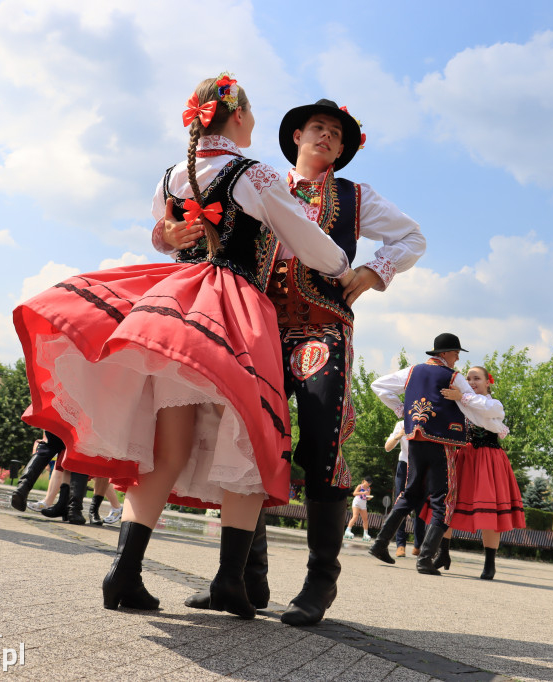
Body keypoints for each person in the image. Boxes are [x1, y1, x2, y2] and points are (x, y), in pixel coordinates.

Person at [13, 74, 353, 620]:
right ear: (237, 118)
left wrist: (165, 238)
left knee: (169, 449)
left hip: (174, 310)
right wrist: (341, 266)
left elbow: (160, 229)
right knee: (250, 433)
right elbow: (303, 238)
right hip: (234, 309)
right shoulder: (255, 173)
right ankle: (229, 581)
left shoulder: (175, 172)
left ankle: (124, 572)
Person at [177, 98, 424, 625]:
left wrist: (374, 271)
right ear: (296, 136)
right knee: (247, 437)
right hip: (257, 325)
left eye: (337, 133)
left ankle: (319, 583)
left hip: (320, 328)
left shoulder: (357, 198)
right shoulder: (257, 180)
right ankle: (247, 579)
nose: (327, 137)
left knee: (319, 439)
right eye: (318, 127)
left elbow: (412, 236)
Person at [367, 333, 504, 575]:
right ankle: (425, 559)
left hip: (416, 439)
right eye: (455, 352)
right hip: (442, 442)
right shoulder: (453, 377)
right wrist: (467, 400)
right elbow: (474, 404)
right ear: (444, 354)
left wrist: (402, 409)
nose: (458, 357)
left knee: (410, 493)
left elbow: (378, 385)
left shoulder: (412, 371)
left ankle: (380, 544)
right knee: (444, 500)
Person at [436, 366, 523, 579]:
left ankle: (490, 564)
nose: (472, 382)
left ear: (488, 382)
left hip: (489, 459)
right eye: (468, 378)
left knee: (489, 511)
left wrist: (462, 397)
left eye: (477, 378)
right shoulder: (459, 401)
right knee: (449, 505)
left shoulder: (493, 403)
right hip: (463, 456)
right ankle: (443, 554)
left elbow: (490, 411)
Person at [385, 420, 425, 557]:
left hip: (421, 467)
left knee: (421, 506)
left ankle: (418, 544)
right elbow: (387, 447)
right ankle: (400, 544)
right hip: (404, 465)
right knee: (400, 503)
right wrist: (398, 435)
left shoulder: (427, 421)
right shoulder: (401, 424)